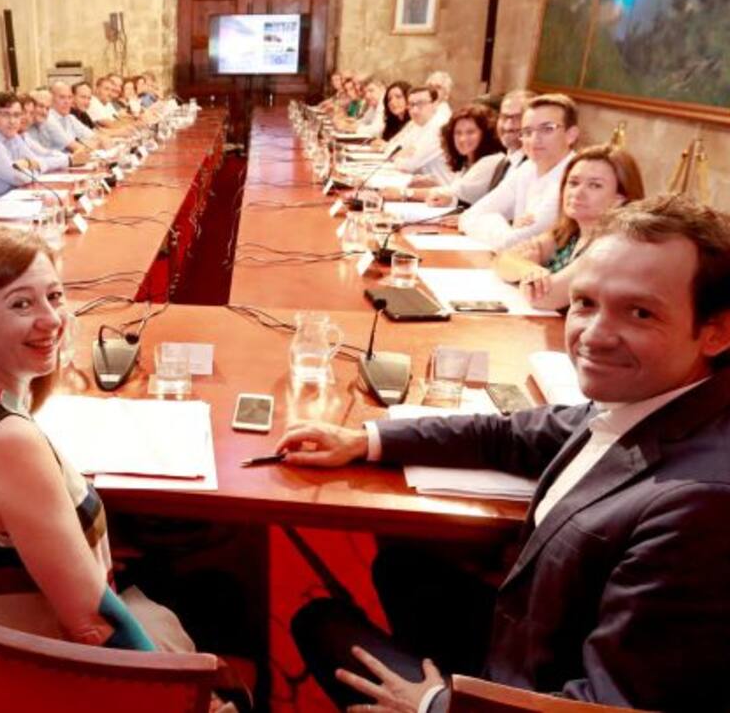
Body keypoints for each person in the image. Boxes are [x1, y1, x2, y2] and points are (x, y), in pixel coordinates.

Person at [277, 193, 730, 712]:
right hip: (531, 636)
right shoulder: (655, 398)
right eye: (585, 303)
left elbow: (612, 704)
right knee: (402, 561)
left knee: (319, 622)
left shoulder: (703, 504)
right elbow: (511, 434)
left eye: (640, 312)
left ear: (716, 332)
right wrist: (367, 439)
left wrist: (433, 706)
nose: (594, 335)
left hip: (534, 693)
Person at [0, 228, 187, 647]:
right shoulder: (8, 443)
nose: (52, 319)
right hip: (43, 670)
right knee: (220, 593)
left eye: (54, 297)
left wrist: (82, 546)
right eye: (21, 304)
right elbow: (94, 626)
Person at [495, 145, 644, 310]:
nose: (577, 193)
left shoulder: (614, 246)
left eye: (595, 185)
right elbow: (503, 260)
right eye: (573, 183)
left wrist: (525, 274)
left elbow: (543, 297)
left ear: (620, 199)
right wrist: (529, 270)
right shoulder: (569, 233)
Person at [459, 93, 579, 250]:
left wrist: (500, 226)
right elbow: (469, 216)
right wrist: (508, 228)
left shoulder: (575, 178)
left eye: (547, 129)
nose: (534, 139)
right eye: (527, 131)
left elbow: (515, 243)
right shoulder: (528, 168)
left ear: (571, 135)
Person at [410, 104, 505, 206]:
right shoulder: (468, 162)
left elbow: (452, 194)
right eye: (458, 133)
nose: (462, 139)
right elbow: (456, 191)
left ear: (485, 134)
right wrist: (436, 184)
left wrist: (404, 193)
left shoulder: (491, 161)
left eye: (470, 132)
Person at [0, 92, 42, 198]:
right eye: (6, 115)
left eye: (16, 115)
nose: (12, 121)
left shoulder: (13, 136)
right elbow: (20, 178)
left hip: (13, 198)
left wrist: (26, 163)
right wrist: (29, 164)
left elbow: (38, 165)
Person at [390, 85, 450, 176]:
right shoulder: (417, 125)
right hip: (419, 180)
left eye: (421, 104)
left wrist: (398, 156)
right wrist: (401, 154)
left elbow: (410, 165)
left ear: (435, 104)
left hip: (441, 183)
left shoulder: (439, 127)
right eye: (411, 105)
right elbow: (391, 150)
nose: (414, 110)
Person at [484, 89, 534, 194]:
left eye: (518, 117)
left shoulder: (534, 166)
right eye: (504, 117)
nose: (508, 125)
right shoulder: (502, 165)